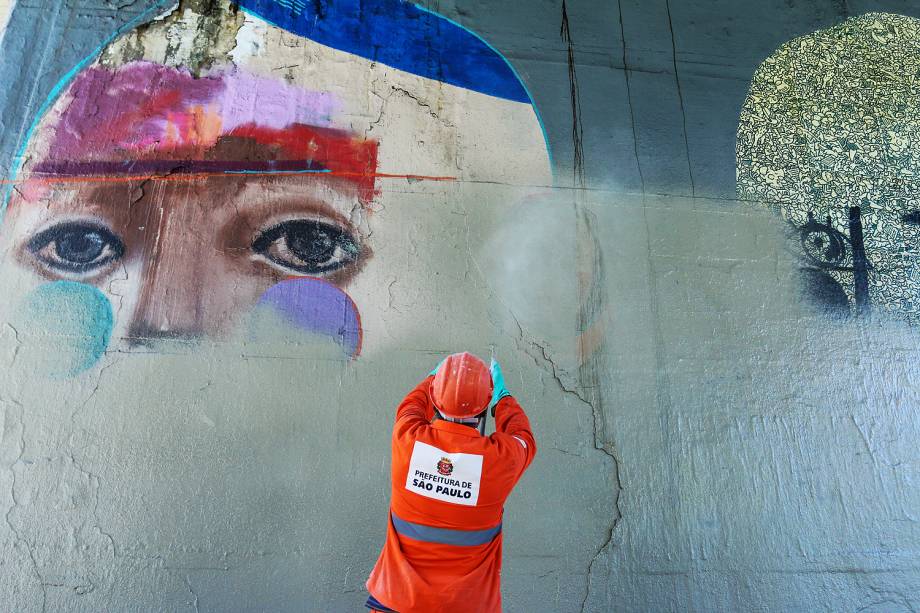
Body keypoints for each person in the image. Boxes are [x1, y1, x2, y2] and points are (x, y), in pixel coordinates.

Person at [365, 352, 536, 613]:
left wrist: (434, 379)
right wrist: (503, 399)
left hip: (396, 603)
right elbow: (522, 436)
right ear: (485, 401)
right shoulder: (499, 460)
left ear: (434, 398)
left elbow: (410, 406)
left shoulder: (407, 439)